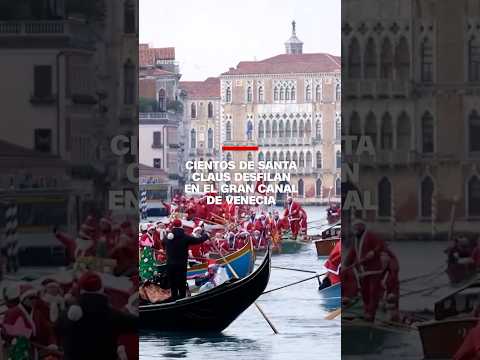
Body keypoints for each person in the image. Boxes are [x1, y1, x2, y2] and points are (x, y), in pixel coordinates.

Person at [56, 272, 137, 360]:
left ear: (80, 289)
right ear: (101, 289)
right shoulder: (114, 315)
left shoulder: (67, 314)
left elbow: (57, 330)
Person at [344, 218, 386, 322]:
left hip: (374, 270)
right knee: (365, 293)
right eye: (354, 228)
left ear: (362, 227)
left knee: (373, 292)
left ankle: (371, 314)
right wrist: (345, 265)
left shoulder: (371, 236)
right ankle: (367, 311)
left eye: (357, 227)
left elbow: (381, 245)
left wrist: (373, 252)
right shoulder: (356, 239)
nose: (355, 229)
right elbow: (353, 253)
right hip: (362, 272)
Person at [164, 218, 209, 300]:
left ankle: (174, 298)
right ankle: (182, 298)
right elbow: (198, 240)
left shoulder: (167, 237)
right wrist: (206, 236)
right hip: (181, 264)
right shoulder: (185, 237)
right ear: (181, 226)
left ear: (173, 226)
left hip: (170, 264)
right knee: (181, 282)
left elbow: (163, 243)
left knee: (173, 283)